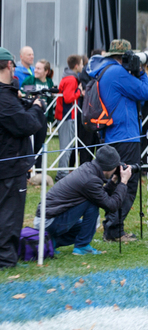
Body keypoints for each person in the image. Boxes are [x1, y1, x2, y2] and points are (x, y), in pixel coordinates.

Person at [86, 39, 148, 242]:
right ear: (123, 57)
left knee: (115, 182)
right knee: (128, 181)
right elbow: (145, 92)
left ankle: (111, 226)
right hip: (126, 136)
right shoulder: (117, 72)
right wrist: (141, 72)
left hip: (115, 135)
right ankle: (114, 229)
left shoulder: (105, 71)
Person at [34, 146, 131, 255]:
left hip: (46, 219)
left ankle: (51, 243)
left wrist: (113, 181)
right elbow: (112, 206)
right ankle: (82, 246)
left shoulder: (88, 169)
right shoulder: (91, 180)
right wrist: (123, 182)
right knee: (92, 204)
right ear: (109, 167)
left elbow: (100, 195)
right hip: (48, 221)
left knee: (84, 227)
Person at [0, 47, 45, 268]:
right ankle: (5, 258)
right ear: (10, 65)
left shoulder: (8, 96)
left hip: (9, 162)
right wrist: (36, 108)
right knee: (10, 213)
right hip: (9, 164)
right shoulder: (4, 99)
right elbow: (26, 125)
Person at [21, 59, 54, 171]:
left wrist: (50, 117)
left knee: (40, 144)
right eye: (35, 67)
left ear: (46, 71)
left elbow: (50, 100)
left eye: (39, 68)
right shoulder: (29, 80)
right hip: (31, 116)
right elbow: (24, 94)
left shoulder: (49, 82)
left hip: (43, 118)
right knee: (29, 144)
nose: (35, 70)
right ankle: (28, 171)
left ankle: (39, 169)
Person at [55, 55, 84, 182]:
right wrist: (79, 92)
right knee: (66, 146)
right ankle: (62, 173)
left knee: (67, 145)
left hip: (65, 115)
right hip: (66, 116)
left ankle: (62, 171)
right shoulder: (72, 79)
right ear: (77, 66)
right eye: (82, 64)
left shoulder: (67, 77)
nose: (83, 66)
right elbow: (68, 98)